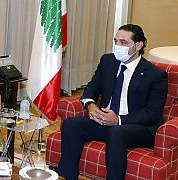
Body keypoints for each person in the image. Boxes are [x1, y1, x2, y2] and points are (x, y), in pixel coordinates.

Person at [57, 24, 168, 179]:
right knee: (71, 124)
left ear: (138, 46)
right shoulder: (108, 61)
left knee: (116, 132)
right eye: (116, 41)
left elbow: (152, 114)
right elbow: (92, 88)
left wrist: (118, 120)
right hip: (105, 120)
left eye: (124, 43)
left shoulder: (155, 75)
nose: (118, 46)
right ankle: (66, 176)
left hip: (138, 127)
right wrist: (91, 105)